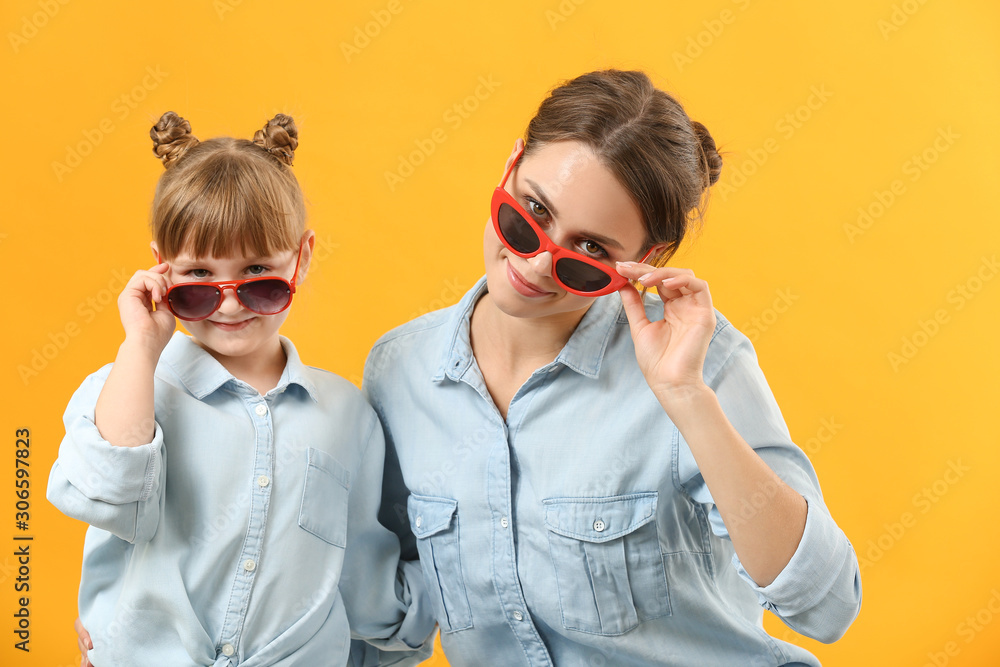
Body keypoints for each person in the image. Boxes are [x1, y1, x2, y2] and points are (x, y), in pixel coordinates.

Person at [364, 69, 862, 665]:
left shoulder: (702, 363)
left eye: (591, 250)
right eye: (530, 212)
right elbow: (403, 610)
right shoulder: (400, 370)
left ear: (647, 261)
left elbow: (828, 606)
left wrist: (686, 398)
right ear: (510, 166)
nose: (540, 263)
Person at [48, 112, 435, 667]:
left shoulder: (347, 414)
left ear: (301, 258)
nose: (228, 304)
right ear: (161, 269)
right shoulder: (127, 385)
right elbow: (108, 495)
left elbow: (361, 575)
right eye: (198, 277)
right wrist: (140, 345)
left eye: (257, 273)